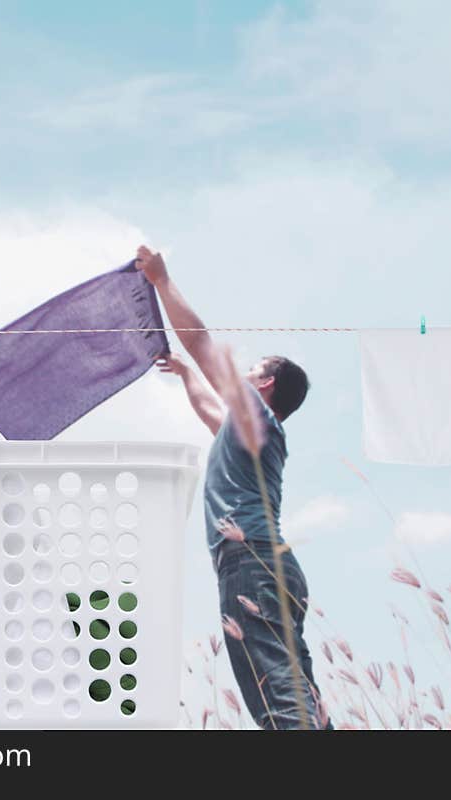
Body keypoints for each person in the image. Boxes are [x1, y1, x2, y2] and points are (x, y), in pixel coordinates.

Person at [135, 244, 331, 731]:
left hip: (252, 565)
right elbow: (210, 413)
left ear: (264, 387)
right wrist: (183, 375)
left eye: (251, 371)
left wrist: (162, 281)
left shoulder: (259, 417)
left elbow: (201, 342)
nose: (241, 375)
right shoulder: (248, 430)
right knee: (295, 692)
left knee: (279, 700)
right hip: (270, 568)